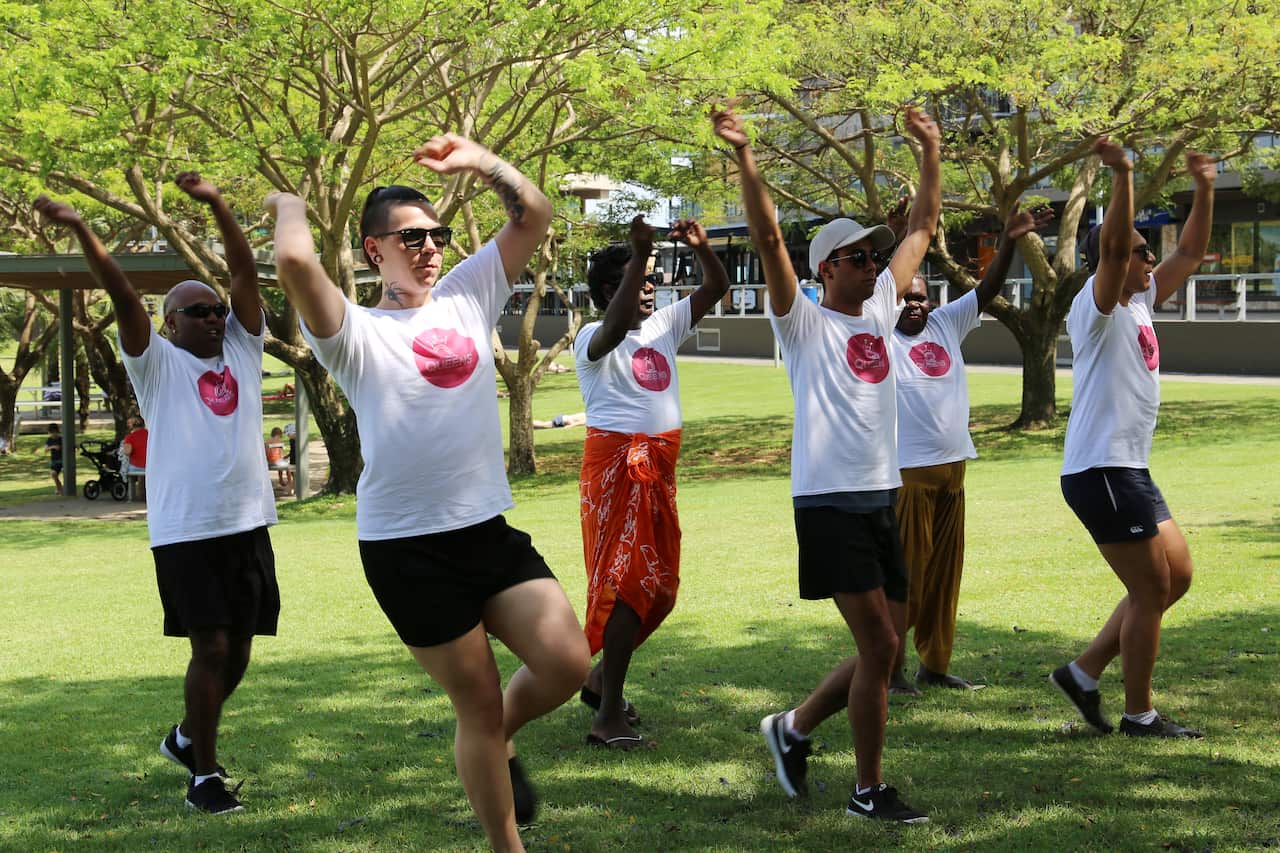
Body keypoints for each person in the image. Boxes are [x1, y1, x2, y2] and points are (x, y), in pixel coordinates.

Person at [269, 134, 589, 853]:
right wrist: (287, 203)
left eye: (437, 235)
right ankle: (507, 842)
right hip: (406, 546)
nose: (429, 248)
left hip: (485, 528)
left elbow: (533, 213)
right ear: (372, 250)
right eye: (410, 238)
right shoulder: (353, 332)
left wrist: (480, 161)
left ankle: (495, 742)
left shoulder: (468, 293)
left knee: (569, 662)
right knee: (473, 701)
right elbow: (293, 259)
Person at [712, 104, 940, 824]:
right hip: (829, 500)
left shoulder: (878, 309)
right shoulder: (802, 321)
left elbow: (924, 229)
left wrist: (930, 150)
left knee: (889, 649)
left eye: (876, 256)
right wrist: (747, 157)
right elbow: (769, 235)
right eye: (858, 257)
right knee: (877, 643)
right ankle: (868, 789)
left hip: (879, 495)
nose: (874, 264)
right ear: (824, 268)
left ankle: (794, 726)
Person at [35, 172, 280, 816]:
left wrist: (218, 204)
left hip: (248, 524)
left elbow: (245, 275)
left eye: (216, 309)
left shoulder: (242, 353)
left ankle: (183, 738)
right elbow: (119, 291)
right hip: (186, 530)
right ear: (169, 322)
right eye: (197, 311)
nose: (213, 316)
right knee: (214, 648)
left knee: (241, 655)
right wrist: (82, 229)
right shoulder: (157, 363)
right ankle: (204, 775)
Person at [1051, 143, 1216, 739]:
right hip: (1101, 469)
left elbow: (1192, 251)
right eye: (1144, 252)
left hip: (1129, 468)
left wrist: (1205, 185)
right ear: (1113, 263)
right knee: (1149, 589)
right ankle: (1139, 714)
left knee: (1177, 577)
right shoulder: (1094, 308)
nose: (1151, 259)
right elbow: (1117, 247)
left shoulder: (1140, 303)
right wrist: (1123, 175)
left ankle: (1084, 671)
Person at [574, 215, 730, 748]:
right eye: (633, 281)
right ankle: (607, 716)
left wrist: (703, 247)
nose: (647, 287)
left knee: (660, 590)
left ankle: (599, 682)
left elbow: (716, 287)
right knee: (627, 587)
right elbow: (614, 330)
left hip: (659, 469)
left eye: (649, 280)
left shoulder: (664, 326)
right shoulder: (591, 337)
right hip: (618, 469)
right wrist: (640, 252)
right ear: (603, 290)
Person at [890, 204, 1054, 692]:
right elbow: (887, 281)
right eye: (906, 299)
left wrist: (1009, 241)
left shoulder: (946, 324)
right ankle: (892, 668)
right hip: (908, 476)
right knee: (908, 576)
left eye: (921, 299)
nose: (914, 305)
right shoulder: (878, 335)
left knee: (944, 576)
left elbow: (986, 290)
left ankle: (934, 666)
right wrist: (902, 234)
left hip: (954, 471)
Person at [120, 415, 148, 501]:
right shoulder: (150, 433)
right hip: (151, 465)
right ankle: (143, 494)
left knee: (127, 466)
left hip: (137, 466)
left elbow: (127, 452)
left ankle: (133, 496)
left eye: (129, 423)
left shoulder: (130, 437)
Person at [43, 423, 63, 495]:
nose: (53, 434)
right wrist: (53, 447)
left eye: (54, 432)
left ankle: (61, 489)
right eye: (51, 433)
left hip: (63, 460)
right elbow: (45, 449)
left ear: (57, 431)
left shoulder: (61, 439)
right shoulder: (49, 440)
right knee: (53, 474)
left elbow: (70, 444)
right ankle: (59, 487)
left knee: (66, 474)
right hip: (54, 460)